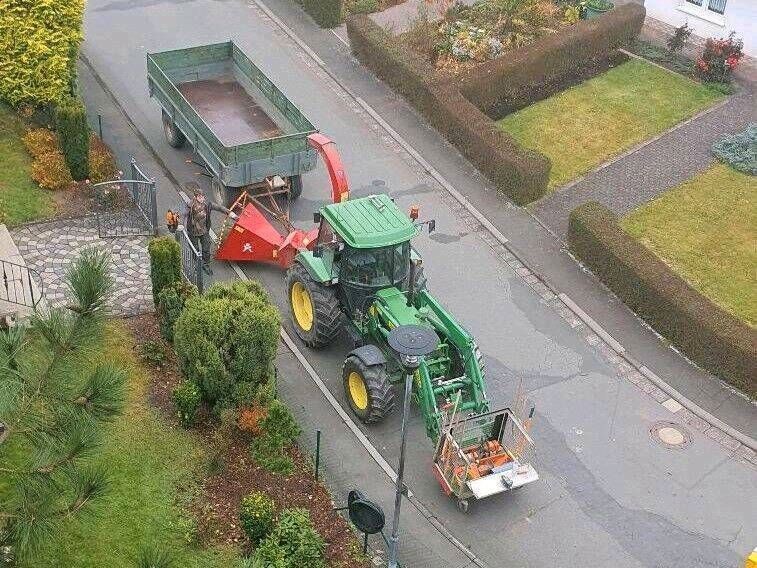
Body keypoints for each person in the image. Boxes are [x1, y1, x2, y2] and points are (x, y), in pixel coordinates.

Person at [184, 183, 236, 275]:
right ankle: (197, 265)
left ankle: (206, 265)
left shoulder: (207, 205)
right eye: (200, 196)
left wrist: (230, 213)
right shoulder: (190, 206)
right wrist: (178, 224)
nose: (202, 198)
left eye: (203, 196)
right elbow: (184, 215)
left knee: (206, 249)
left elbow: (219, 208)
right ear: (196, 197)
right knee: (195, 250)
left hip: (204, 231)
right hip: (193, 232)